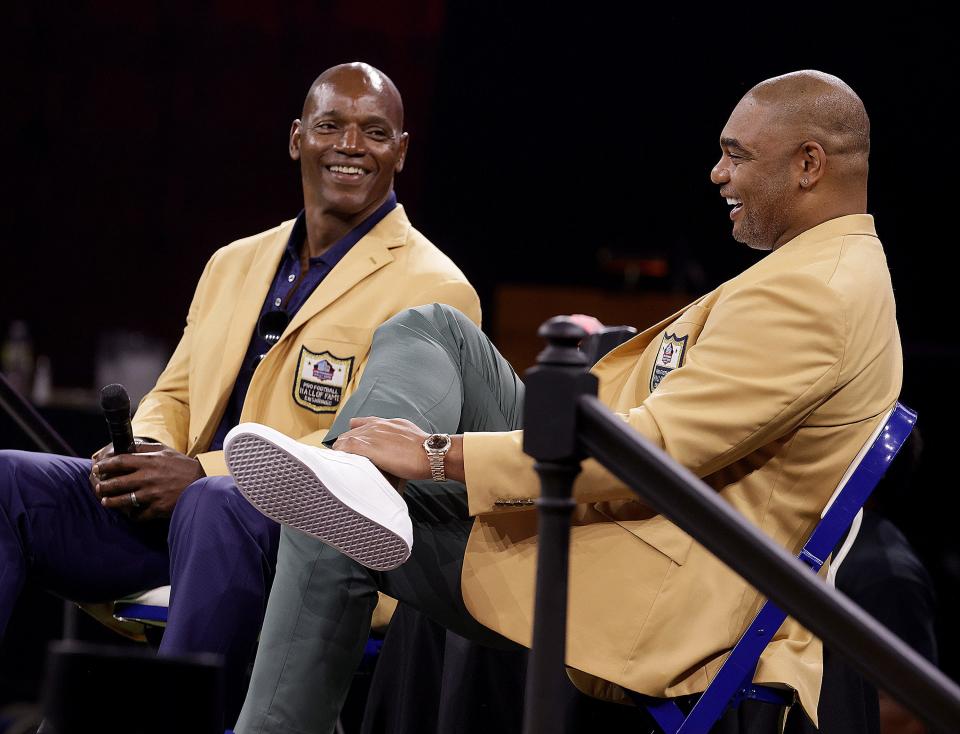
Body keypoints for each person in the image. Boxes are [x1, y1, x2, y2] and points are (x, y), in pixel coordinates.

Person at [229, 70, 901, 733]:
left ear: (808, 163)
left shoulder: (815, 295)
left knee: (328, 516)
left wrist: (436, 454)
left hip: (632, 572)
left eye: (736, 155)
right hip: (611, 499)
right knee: (431, 330)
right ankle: (353, 472)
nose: (718, 175)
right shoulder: (821, 272)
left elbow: (650, 455)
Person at [0, 62, 479, 724]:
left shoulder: (436, 288)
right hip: (183, 518)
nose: (349, 145)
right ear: (295, 138)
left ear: (400, 151)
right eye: (330, 125)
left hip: (310, 538)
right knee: (8, 483)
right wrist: (145, 454)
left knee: (216, 504)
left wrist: (201, 472)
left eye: (373, 132)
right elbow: (175, 393)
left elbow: (371, 447)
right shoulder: (233, 261)